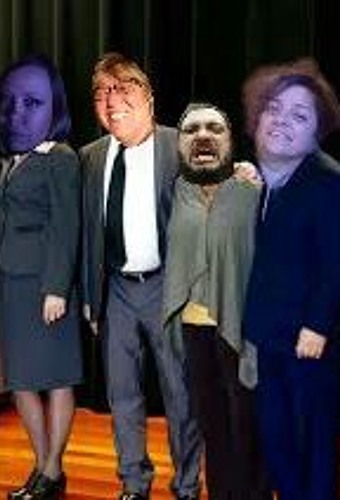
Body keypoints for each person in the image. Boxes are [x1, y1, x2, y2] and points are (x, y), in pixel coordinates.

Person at [80, 52, 202, 500]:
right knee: (122, 394)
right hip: (116, 291)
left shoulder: (181, 146)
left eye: (122, 88)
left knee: (180, 395)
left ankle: (186, 484)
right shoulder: (90, 157)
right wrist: (91, 296)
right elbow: (87, 236)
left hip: (169, 288)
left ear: (148, 97)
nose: (112, 101)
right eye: (102, 93)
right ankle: (133, 482)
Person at [163, 102, 272, 500]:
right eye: (192, 130)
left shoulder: (253, 191)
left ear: (230, 141)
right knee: (212, 423)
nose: (203, 136)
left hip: (243, 329)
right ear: (179, 143)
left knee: (248, 422)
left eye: (214, 128)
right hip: (193, 329)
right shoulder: (174, 191)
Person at [242, 58, 340, 500]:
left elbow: (334, 262)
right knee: (277, 441)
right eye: (273, 108)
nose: (281, 121)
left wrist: (317, 324)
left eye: (299, 115)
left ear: (317, 132)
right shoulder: (259, 180)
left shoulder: (326, 182)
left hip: (308, 342)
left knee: (310, 446)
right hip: (269, 336)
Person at [0, 54, 82, 500]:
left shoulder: (60, 157)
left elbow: (66, 225)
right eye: (12, 102)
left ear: (54, 107)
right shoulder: (14, 158)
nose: (20, 112)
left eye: (33, 102)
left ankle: (51, 471)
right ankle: (42, 466)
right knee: (21, 381)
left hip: (46, 285)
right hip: (11, 282)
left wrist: (56, 288)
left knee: (57, 377)